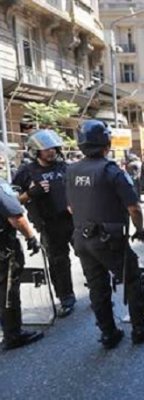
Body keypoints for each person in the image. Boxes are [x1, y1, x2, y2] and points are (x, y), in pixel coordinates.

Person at [66, 120, 144, 349]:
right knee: (133, 281)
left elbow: (71, 208)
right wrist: (139, 230)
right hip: (109, 241)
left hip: (82, 239)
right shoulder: (110, 171)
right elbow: (134, 208)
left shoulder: (71, 171)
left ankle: (108, 333)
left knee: (97, 287)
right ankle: (139, 330)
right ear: (106, 143)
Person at [12, 130, 76, 318]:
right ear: (36, 152)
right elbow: (14, 201)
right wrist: (31, 193)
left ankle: (97, 291)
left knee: (89, 254)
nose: (51, 152)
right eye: (46, 149)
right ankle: (66, 297)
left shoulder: (66, 167)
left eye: (53, 148)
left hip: (73, 220)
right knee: (58, 263)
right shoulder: (26, 172)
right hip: (49, 224)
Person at [0, 142, 44, 350]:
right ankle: (13, 334)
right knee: (8, 289)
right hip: (3, 247)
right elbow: (16, 217)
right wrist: (31, 237)